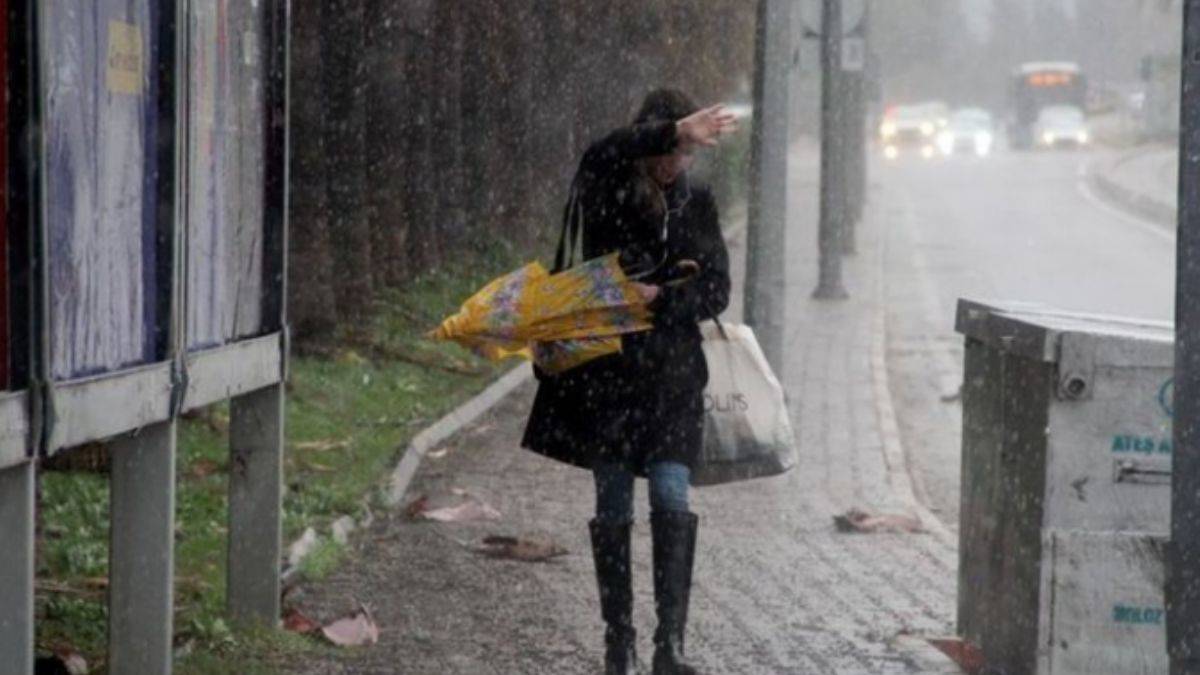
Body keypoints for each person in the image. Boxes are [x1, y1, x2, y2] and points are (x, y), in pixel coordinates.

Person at [522, 89, 736, 675]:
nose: (676, 163)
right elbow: (601, 149)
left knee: (671, 496)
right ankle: (620, 640)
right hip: (607, 381)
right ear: (651, 142)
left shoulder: (699, 203)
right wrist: (673, 129)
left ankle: (671, 644)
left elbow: (716, 289)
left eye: (687, 152)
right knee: (612, 503)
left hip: (671, 381)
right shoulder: (609, 186)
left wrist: (662, 297)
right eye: (670, 148)